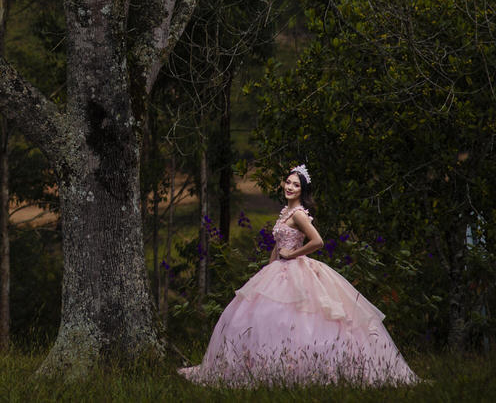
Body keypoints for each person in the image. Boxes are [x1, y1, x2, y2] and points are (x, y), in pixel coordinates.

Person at [179, 165, 418, 386]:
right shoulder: (285, 212)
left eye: (296, 185)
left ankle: (307, 368)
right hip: (278, 269)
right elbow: (278, 244)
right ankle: (267, 366)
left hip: (297, 269)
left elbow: (317, 241)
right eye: (288, 182)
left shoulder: (299, 215)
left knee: (303, 318)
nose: (290, 187)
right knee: (266, 317)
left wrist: (292, 254)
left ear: (302, 191)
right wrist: (268, 269)